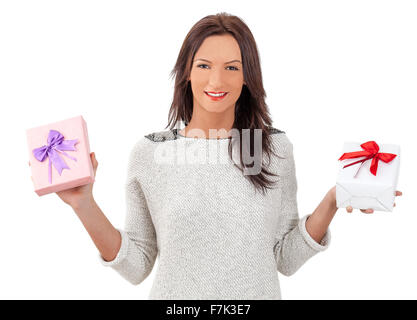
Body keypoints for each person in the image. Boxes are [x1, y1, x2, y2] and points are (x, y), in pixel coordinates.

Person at [44, 12, 402, 299]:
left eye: (232, 67)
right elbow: (136, 265)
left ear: (248, 76)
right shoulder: (151, 153)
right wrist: (83, 204)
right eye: (204, 65)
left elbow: (285, 258)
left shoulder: (272, 149)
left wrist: (333, 200)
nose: (217, 81)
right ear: (186, 70)